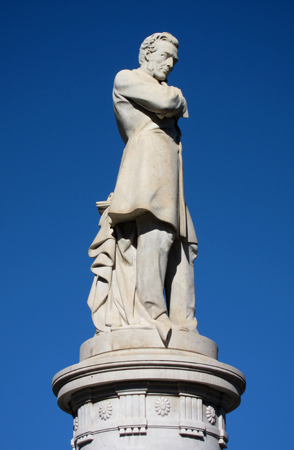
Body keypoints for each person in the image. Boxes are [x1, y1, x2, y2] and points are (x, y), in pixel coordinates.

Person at [88, 33, 198, 342]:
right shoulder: (126, 78)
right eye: (164, 56)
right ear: (145, 55)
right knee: (158, 234)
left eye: (174, 60)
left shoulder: (157, 85)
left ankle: (183, 319)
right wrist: (175, 98)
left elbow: (169, 102)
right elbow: (167, 101)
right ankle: (153, 312)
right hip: (146, 163)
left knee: (180, 245)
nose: (170, 63)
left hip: (170, 171)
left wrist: (173, 100)